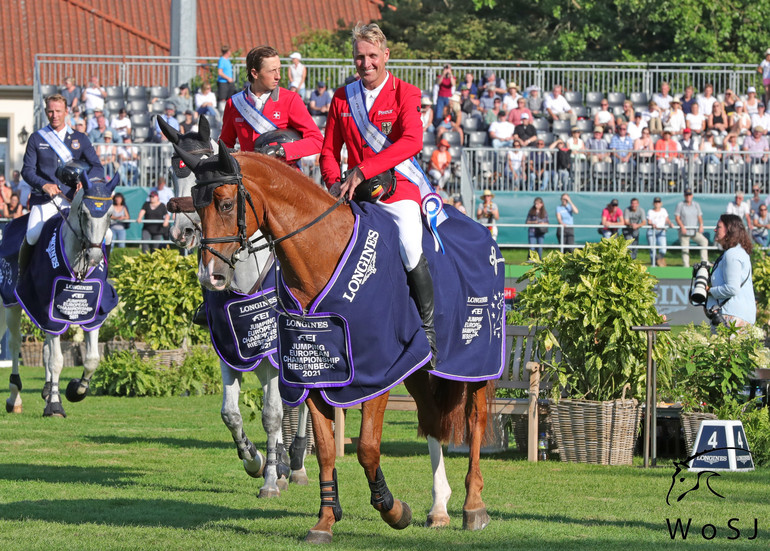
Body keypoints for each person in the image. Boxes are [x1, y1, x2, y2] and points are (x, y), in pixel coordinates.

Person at [319, 23, 439, 367]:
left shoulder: (406, 93)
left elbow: (412, 142)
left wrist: (363, 169)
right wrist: (332, 181)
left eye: (372, 56)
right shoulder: (342, 97)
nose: (366, 63)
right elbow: (329, 149)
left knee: (408, 243)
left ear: (386, 55)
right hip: (354, 192)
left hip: (397, 188)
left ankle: (428, 332)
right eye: (360, 56)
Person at [20, 94, 104, 279]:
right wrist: (44, 185)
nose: (54, 115)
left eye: (58, 111)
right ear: (46, 112)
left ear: (66, 112)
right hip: (46, 200)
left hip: (74, 201)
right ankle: (23, 277)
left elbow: (98, 168)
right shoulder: (36, 138)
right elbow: (27, 171)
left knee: (107, 235)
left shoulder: (80, 138)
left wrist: (86, 181)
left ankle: (101, 275)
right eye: (50, 111)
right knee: (33, 235)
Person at [221, 45, 323, 163]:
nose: (278, 76)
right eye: (272, 71)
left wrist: (281, 150)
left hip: (284, 176)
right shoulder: (234, 103)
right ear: (255, 73)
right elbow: (225, 144)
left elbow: (317, 140)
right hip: (248, 177)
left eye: (279, 69)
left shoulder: (291, 99)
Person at [707, 214, 756, 326]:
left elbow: (732, 289)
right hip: (737, 314)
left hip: (732, 317)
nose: (715, 230)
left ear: (729, 230)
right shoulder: (736, 252)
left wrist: (710, 291)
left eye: (718, 227)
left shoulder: (732, 254)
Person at [674, 188, 708, 267]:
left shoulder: (696, 205)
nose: (688, 196)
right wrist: (682, 227)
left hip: (694, 231)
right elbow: (677, 217)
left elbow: (699, 216)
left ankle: (704, 262)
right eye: (686, 195)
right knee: (685, 248)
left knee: (704, 241)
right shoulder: (680, 205)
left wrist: (701, 225)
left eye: (689, 195)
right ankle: (686, 265)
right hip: (684, 231)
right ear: (684, 196)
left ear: (692, 195)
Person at [647, 197, 674, 266]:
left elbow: (667, 219)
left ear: (661, 203)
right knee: (653, 249)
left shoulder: (663, 210)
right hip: (652, 231)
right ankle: (653, 264)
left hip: (661, 231)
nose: (657, 204)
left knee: (663, 249)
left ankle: (657, 259)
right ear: (653, 203)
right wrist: (652, 224)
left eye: (658, 202)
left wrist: (670, 223)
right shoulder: (650, 211)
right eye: (656, 202)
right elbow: (649, 221)